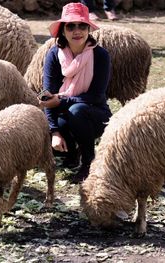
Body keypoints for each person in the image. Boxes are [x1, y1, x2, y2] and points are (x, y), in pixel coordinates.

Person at [38, 2, 112, 182]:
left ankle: (88, 163)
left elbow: (96, 95)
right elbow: (47, 95)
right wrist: (54, 131)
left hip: (95, 114)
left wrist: (61, 102)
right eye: (70, 26)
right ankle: (72, 156)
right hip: (66, 110)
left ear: (88, 29)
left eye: (82, 25)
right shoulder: (54, 55)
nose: (77, 31)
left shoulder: (100, 56)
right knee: (60, 123)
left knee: (76, 111)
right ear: (63, 30)